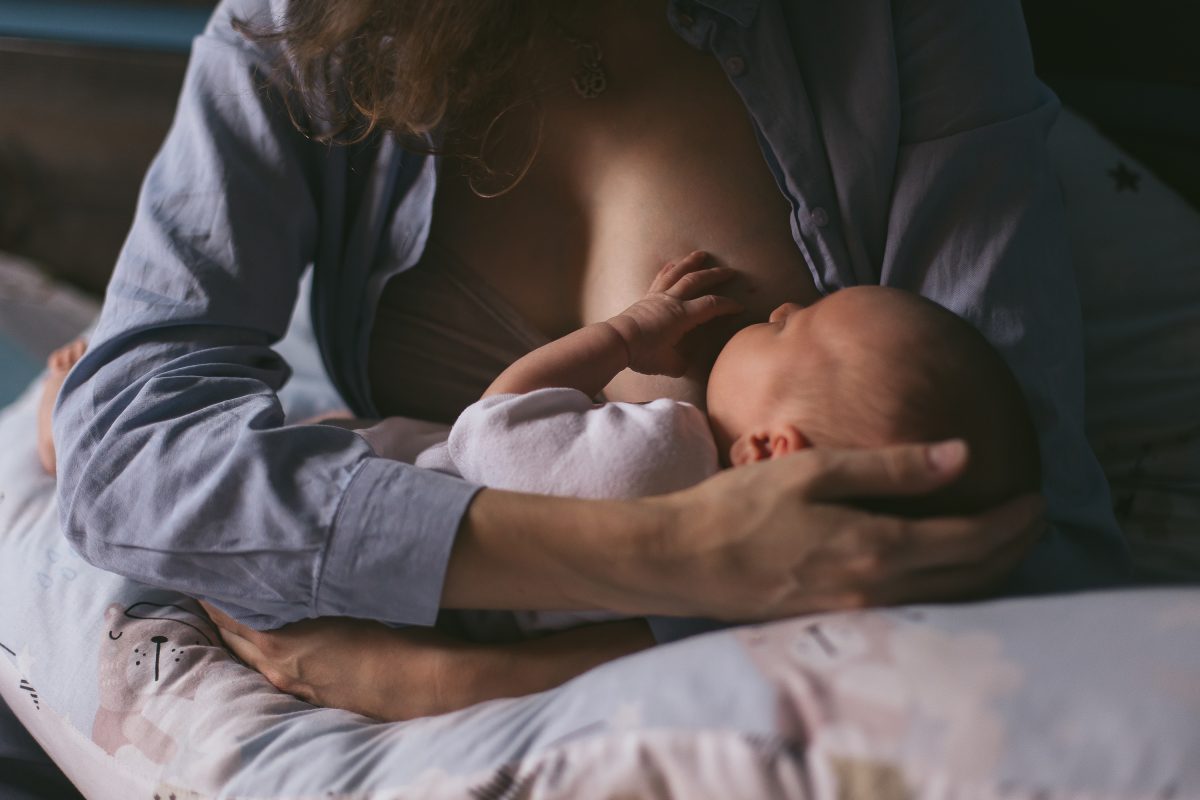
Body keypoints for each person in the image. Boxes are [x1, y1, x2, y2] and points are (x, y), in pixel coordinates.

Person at [52, 0, 1125, 718]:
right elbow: (131, 461)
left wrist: (462, 675)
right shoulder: (306, 30)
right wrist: (676, 553)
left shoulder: (897, 23)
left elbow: (1014, 529)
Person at [416, 251, 1041, 641]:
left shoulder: (664, 459)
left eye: (791, 327)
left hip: (403, 537)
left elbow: (490, 429)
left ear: (772, 452)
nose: (785, 305)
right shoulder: (767, 605)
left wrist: (624, 336)